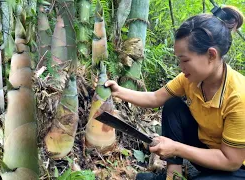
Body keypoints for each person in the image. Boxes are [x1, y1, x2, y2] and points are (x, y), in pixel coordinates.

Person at [104, 5, 245, 180]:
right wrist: (118, 91)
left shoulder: (238, 96)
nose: (181, 67)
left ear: (211, 55)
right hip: (205, 151)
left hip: (234, 168)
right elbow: (155, 97)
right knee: (173, 105)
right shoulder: (189, 79)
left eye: (185, 60)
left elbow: (231, 161)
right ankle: (174, 174)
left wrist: (176, 148)